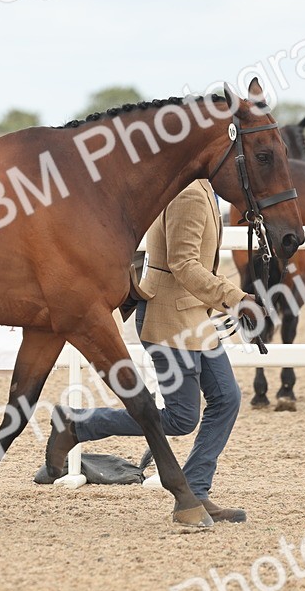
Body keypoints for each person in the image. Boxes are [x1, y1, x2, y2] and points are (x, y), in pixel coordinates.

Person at [44, 179, 260, 523]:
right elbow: (184, 263)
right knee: (180, 418)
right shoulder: (188, 193)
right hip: (170, 320)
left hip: (196, 316)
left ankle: (196, 491)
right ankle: (77, 423)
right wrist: (236, 298)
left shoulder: (201, 186)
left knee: (227, 399)